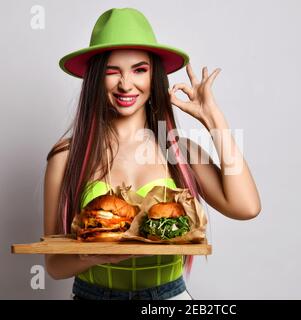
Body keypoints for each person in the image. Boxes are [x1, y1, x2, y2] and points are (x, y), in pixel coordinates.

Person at [43, 7, 261, 300]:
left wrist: (213, 120)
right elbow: (55, 265)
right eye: (112, 71)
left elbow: (246, 207)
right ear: (96, 78)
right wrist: (92, 257)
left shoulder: (178, 150)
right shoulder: (66, 157)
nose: (126, 84)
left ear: (154, 76)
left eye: (139, 70)